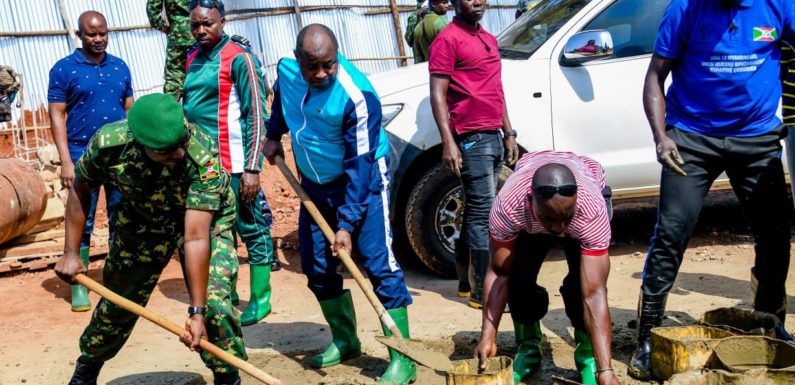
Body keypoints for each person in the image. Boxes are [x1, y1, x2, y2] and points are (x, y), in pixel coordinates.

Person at [630, 0, 795, 380]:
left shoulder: (778, 5)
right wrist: (661, 137)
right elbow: (655, 76)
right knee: (672, 233)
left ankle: (769, 324)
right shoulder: (684, 9)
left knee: (774, 236)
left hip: (756, 139)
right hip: (692, 139)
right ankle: (647, 336)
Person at [54, 94, 247, 385]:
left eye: (180, 144)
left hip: (205, 220)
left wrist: (196, 311)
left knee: (214, 306)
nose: (179, 155)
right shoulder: (110, 144)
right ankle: (86, 370)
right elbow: (81, 189)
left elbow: (195, 237)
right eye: (166, 152)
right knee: (119, 300)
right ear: (139, 143)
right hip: (141, 218)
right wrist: (71, 252)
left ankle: (227, 377)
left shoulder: (202, 152)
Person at [264, 24, 416, 385]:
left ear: (338, 57)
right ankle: (347, 340)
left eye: (328, 65)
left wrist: (346, 225)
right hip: (314, 185)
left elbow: (359, 166)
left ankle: (403, 358)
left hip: (361, 181)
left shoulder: (357, 96)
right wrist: (273, 134)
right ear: (298, 59)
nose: (320, 75)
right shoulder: (287, 71)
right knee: (317, 267)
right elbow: (282, 101)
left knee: (380, 265)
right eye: (312, 67)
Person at [474, 151, 619, 385]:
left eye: (566, 219)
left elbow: (595, 293)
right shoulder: (509, 205)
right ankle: (529, 347)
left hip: (584, 197)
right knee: (519, 280)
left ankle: (587, 356)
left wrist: (606, 370)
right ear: (531, 200)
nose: (560, 228)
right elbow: (500, 272)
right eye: (551, 220)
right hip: (527, 214)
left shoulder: (591, 209)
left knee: (579, 286)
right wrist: (488, 336)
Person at [182, 0, 277, 326]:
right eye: (195, 25)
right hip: (202, 164)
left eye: (207, 24)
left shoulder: (240, 58)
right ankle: (227, 294)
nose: (200, 30)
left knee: (250, 225)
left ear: (223, 21)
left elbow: (257, 115)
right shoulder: (192, 57)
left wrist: (253, 168)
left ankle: (261, 299)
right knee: (215, 230)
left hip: (235, 161)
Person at [429, 0, 519, 309]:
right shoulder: (447, 40)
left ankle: (466, 283)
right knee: (484, 215)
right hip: (470, 138)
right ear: (454, 2)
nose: (477, 1)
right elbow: (438, 94)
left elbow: (498, 88)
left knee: (475, 213)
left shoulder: (488, 39)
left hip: (493, 134)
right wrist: (447, 142)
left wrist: (508, 132)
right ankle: (484, 292)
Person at [48, 10, 132, 312]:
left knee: (121, 215)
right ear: (80, 35)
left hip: (120, 153)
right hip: (82, 152)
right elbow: (57, 114)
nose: (98, 39)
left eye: (103, 34)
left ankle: (117, 282)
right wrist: (66, 161)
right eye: (92, 34)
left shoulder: (120, 67)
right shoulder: (64, 69)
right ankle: (79, 284)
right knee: (80, 218)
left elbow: (129, 108)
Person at [146, 0, 196, 99]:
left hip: (177, 35)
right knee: (202, 72)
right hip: (201, 32)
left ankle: (169, 111)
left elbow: (152, 8)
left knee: (174, 78)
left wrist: (162, 26)